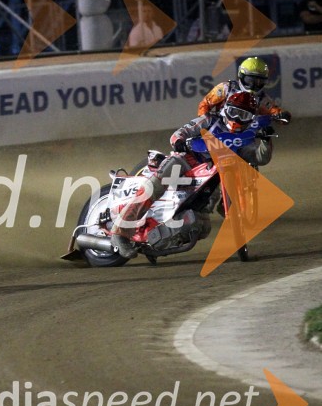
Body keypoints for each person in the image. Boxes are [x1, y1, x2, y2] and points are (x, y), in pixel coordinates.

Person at [110, 92, 273, 259]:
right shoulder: (210, 120)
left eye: (243, 115)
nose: (237, 118)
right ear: (225, 110)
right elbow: (178, 134)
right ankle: (120, 232)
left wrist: (266, 142)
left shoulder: (245, 138)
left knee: (203, 224)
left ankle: (159, 237)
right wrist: (181, 142)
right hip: (188, 161)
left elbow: (259, 157)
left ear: (250, 119)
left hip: (214, 174)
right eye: (234, 112)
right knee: (160, 180)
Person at [197, 57, 292, 122]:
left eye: (259, 81)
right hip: (220, 129)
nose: (254, 85)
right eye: (250, 80)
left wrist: (283, 115)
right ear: (241, 76)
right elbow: (205, 104)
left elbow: (274, 110)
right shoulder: (226, 88)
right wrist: (206, 121)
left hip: (245, 133)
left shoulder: (262, 98)